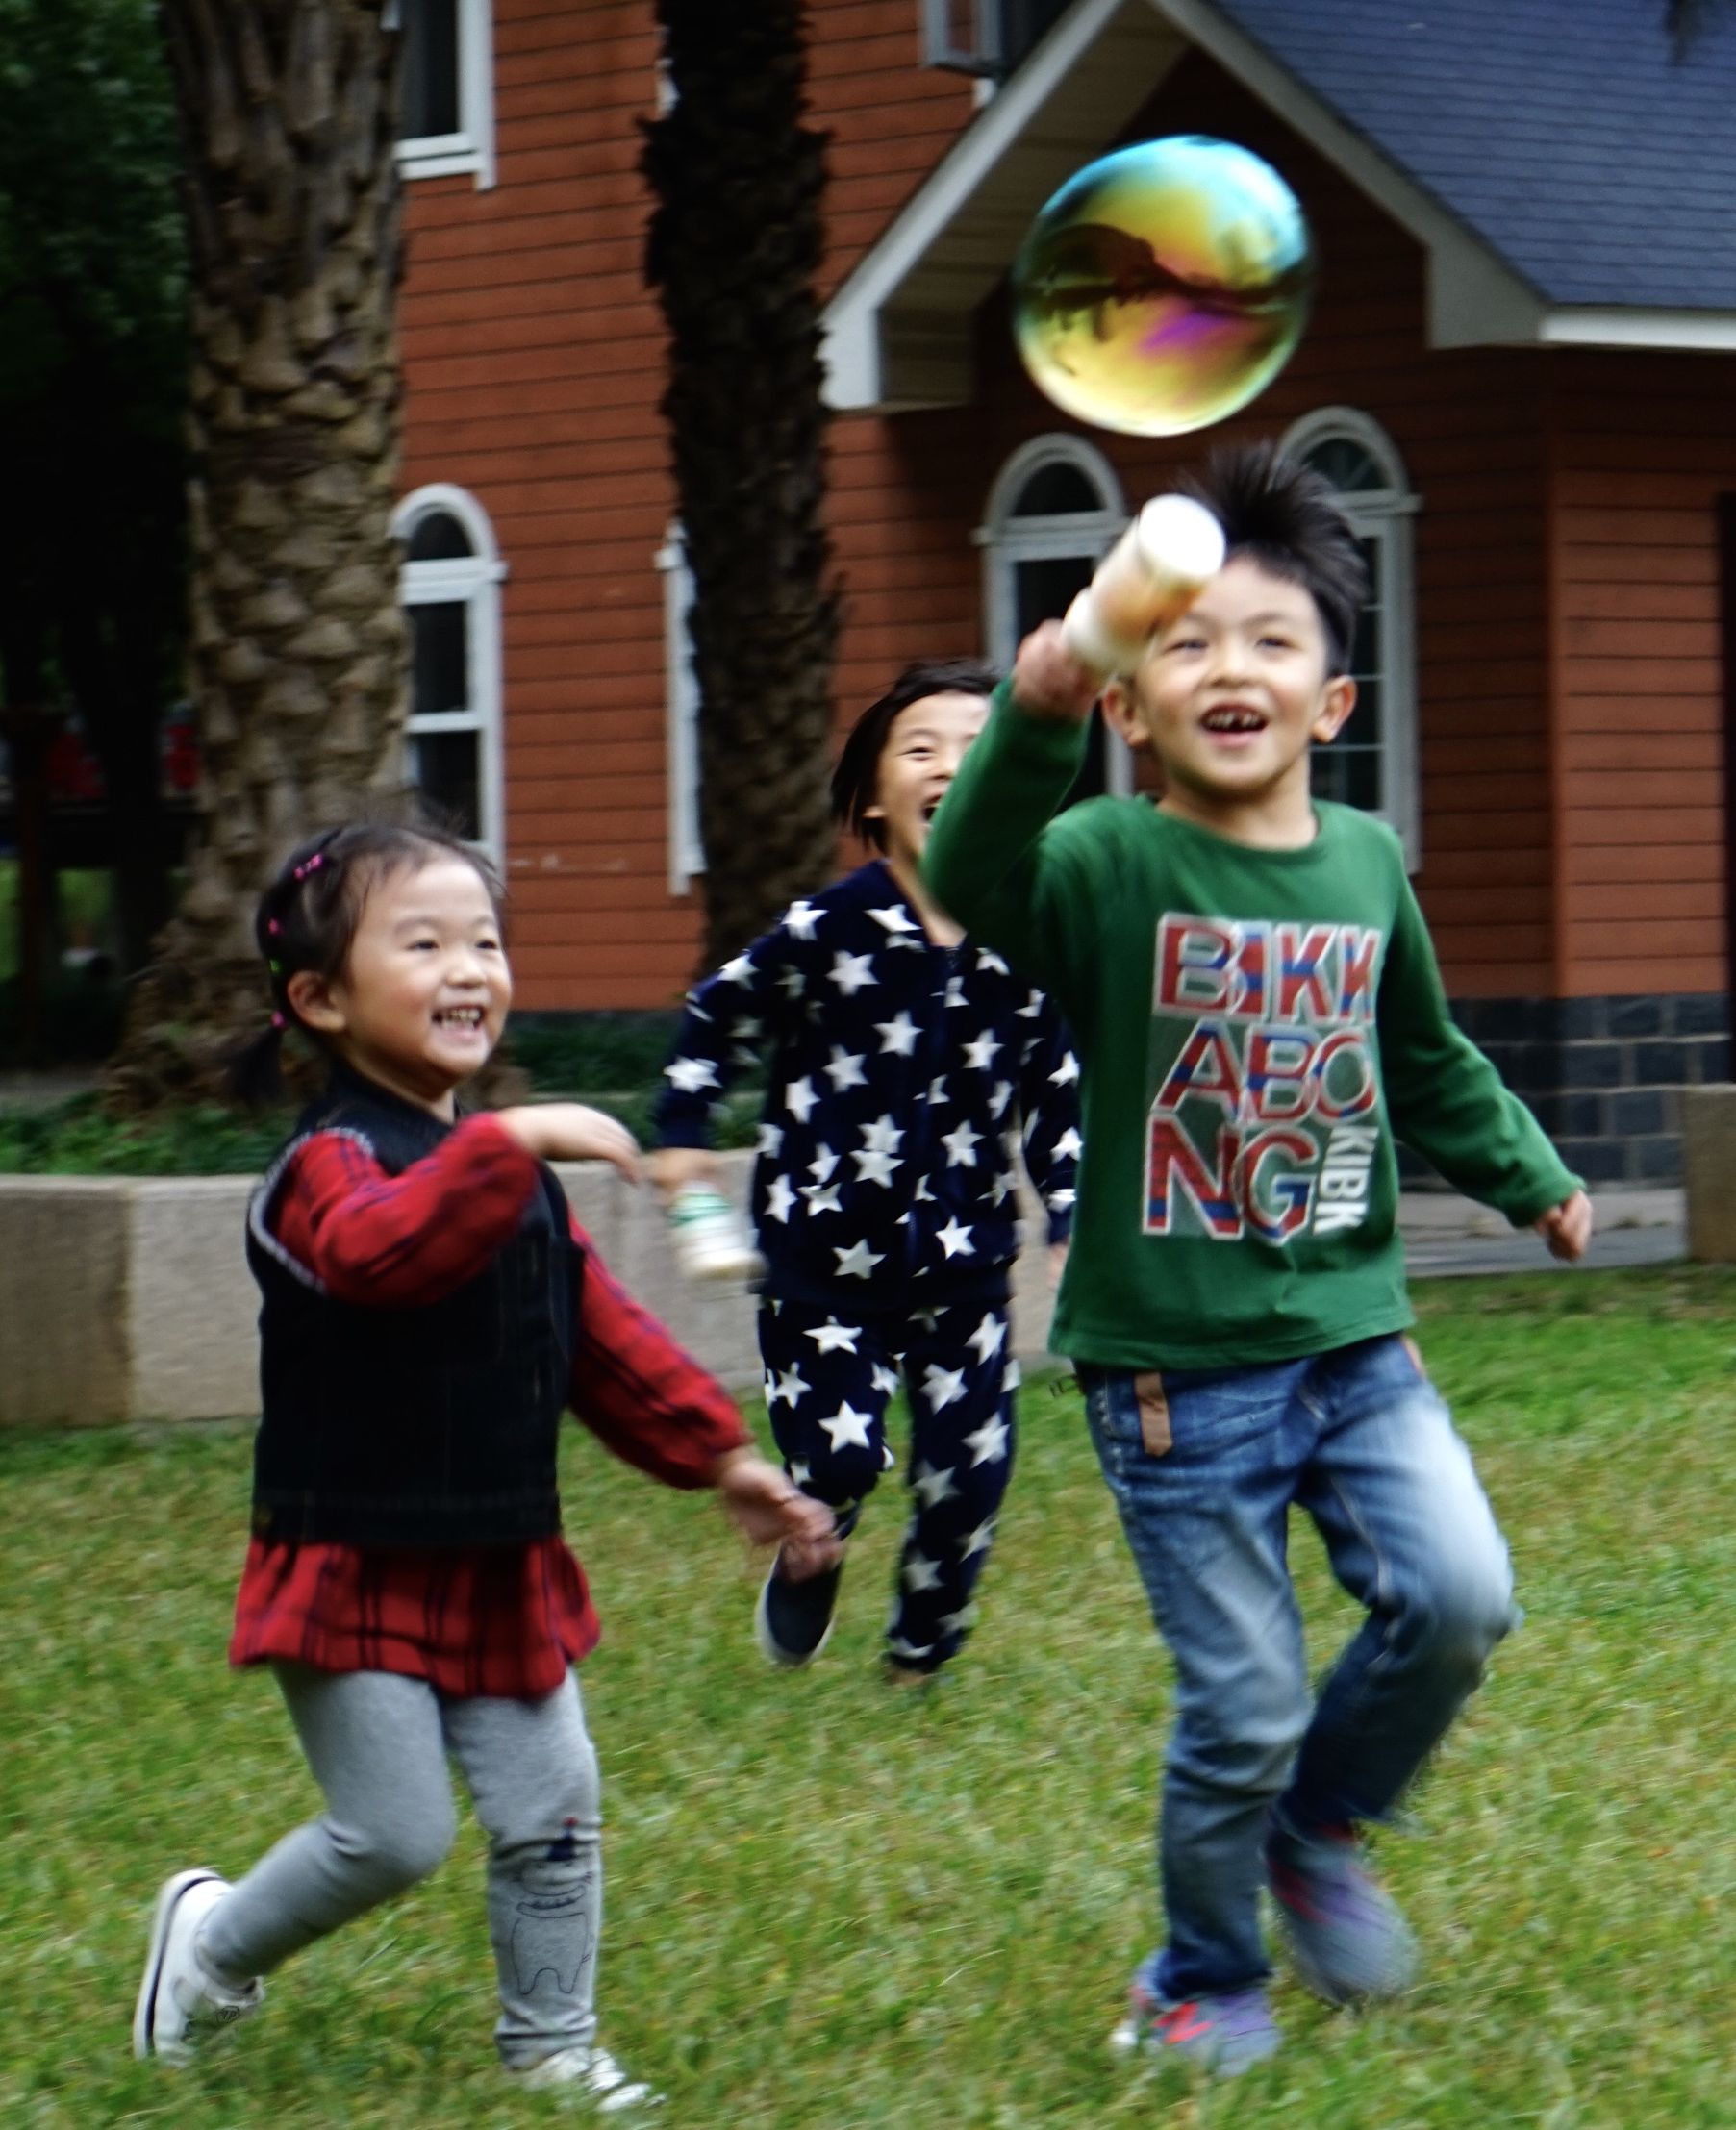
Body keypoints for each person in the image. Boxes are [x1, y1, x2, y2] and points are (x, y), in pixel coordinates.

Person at [923, 445, 1592, 2076]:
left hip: (1357, 1345)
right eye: (1188, 641)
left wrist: (1533, 1175)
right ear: (1131, 705)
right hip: (1177, 1379)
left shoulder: (1364, 864)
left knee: (1462, 1596)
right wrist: (1035, 710)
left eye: (1271, 640)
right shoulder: (1106, 862)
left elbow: (1422, 1056)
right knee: (1243, 1703)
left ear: (1332, 699)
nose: (1232, 667)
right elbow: (970, 871)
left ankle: (1319, 1828)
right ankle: (1200, 1973)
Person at [133, 821, 833, 2104]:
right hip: (350, 1553)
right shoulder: (323, 1168)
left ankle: (551, 2040)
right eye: (423, 943)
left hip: (501, 1554)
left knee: (553, 1810)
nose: (468, 967)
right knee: (393, 1834)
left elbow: (597, 1336)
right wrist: (504, 1146)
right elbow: (381, 1254)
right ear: (321, 999)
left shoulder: (507, 1183)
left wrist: (720, 1457)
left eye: (485, 941)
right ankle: (209, 1945)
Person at [649, 660, 1081, 1680]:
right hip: (820, 1266)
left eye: (977, 750)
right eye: (921, 748)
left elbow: (1058, 1089)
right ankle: (812, 1546)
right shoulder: (829, 928)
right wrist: (682, 1129)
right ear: (875, 796)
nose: (949, 767)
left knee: (968, 1478)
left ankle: (919, 1651)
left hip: (964, 1272)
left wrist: (1071, 1214)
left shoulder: (1027, 942)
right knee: (836, 1460)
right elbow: (718, 1009)